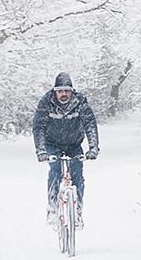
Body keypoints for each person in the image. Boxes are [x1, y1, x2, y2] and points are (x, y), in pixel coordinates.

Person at [32, 72, 99, 229]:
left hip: (74, 144)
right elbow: (38, 127)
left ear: (72, 91)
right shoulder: (46, 102)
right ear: (55, 91)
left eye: (66, 91)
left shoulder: (80, 101)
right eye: (60, 91)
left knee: (77, 174)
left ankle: (77, 210)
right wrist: (41, 150)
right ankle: (53, 209)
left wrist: (93, 147)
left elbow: (90, 123)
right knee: (55, 170)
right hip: (52, 143)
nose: (63, 94)